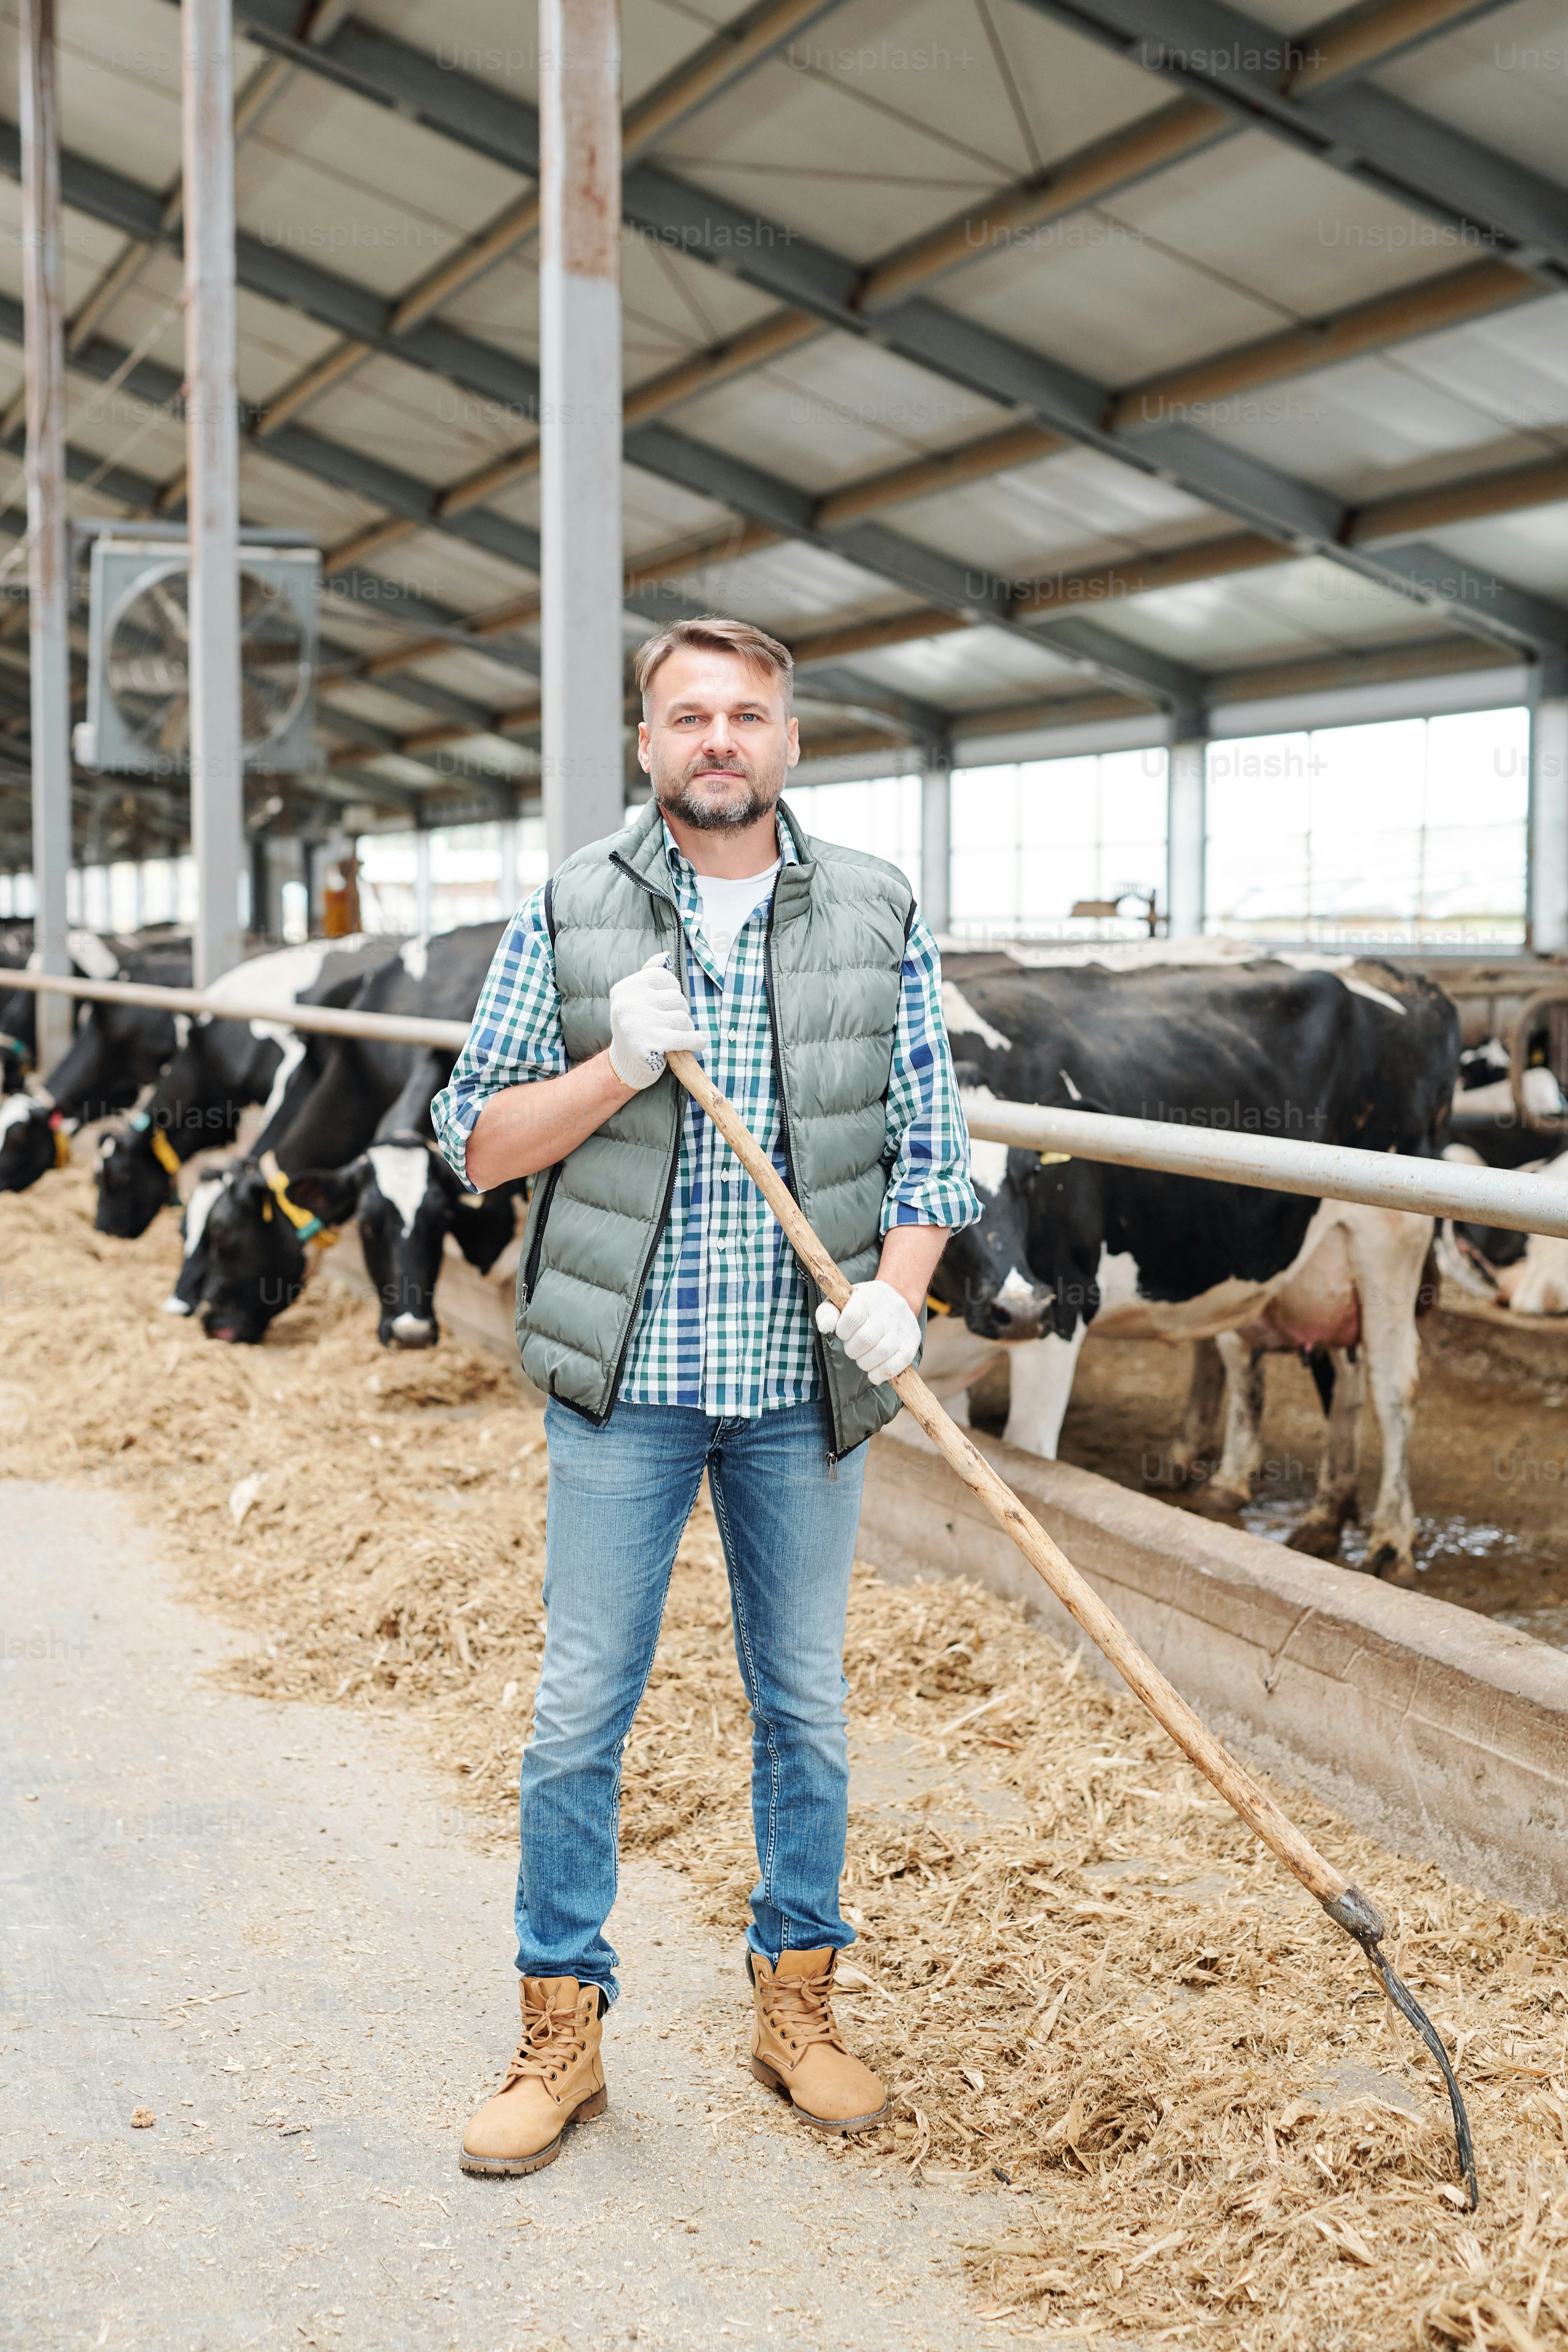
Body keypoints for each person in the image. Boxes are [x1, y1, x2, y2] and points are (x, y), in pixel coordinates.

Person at [432, 614, 979, 2179]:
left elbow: (932, 1149)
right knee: (579, 1710)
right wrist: (612, 1066)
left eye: (749, 714)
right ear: (650, 744)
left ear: (791, 741)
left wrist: (899, 1295)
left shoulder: (875, 911)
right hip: (629, 1386)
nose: (721, 739)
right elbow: (476, 1146)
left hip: (807, 1389)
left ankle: (797, 2001)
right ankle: (561, 2031)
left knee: (803, 1703)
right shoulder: (572, 911)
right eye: (690, 716)